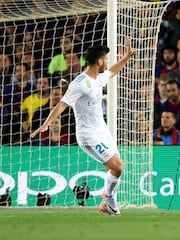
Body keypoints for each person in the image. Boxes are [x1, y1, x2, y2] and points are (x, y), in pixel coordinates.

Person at [31, 38, 135, 216]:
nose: (108, 62)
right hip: (88, 135)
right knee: (117, 166)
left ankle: (109, 203)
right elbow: (62, 104)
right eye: (107, 59)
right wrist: (46, 124)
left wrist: (126, 57)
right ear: (99, 61)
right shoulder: (80, 83)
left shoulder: (98, 78)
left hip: (102, 130)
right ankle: (108, 199)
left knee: (114, 168)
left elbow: (111, 72)